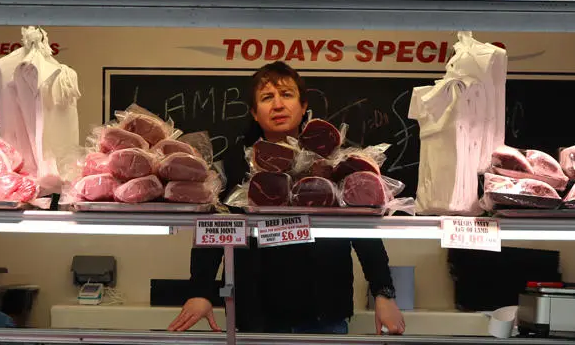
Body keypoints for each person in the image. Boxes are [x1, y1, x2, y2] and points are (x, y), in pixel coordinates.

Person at [167, 61, 406, 335]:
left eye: (287, 94)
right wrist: (201, 292)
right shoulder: (235, 165)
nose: (278, 105)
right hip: (254, 313)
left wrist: (383, 293)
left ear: (304, 106)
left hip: (324, 312)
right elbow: (214, 228)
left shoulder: (336, 159)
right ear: (255, 113)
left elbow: (364, 229)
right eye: (267, 97)